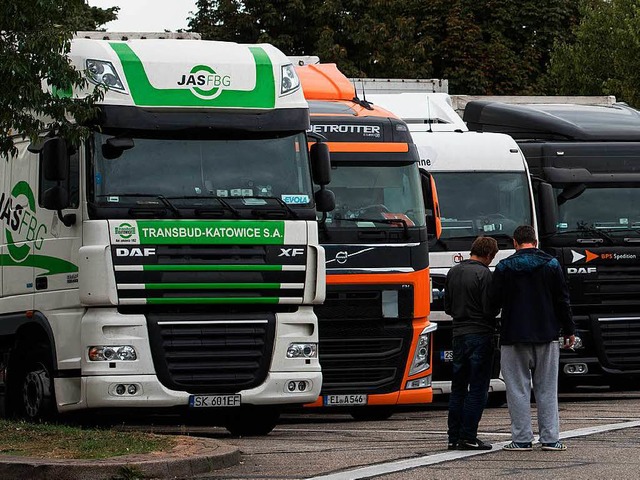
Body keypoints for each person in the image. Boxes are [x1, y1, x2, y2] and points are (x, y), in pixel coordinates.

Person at [491, 225, 575, 452]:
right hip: (546, 333)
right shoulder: (551, 264)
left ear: (515, 243)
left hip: (513, 334)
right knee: (547, 388)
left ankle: (521, 439)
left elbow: (493, 302)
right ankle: (550, 439)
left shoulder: (504, 267)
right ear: (535, 242)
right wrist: (569, 330)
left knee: (517, 389)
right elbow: (562, 300)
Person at [444, 236, 500, 451]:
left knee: (458, 387)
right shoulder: (484, 274)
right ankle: (468, 436)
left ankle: (453, 436)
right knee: (478, 388)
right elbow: (489, 308)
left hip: (458, 333)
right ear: (489, 255)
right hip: (479, 333)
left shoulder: (453, 271)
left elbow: (448, 307)